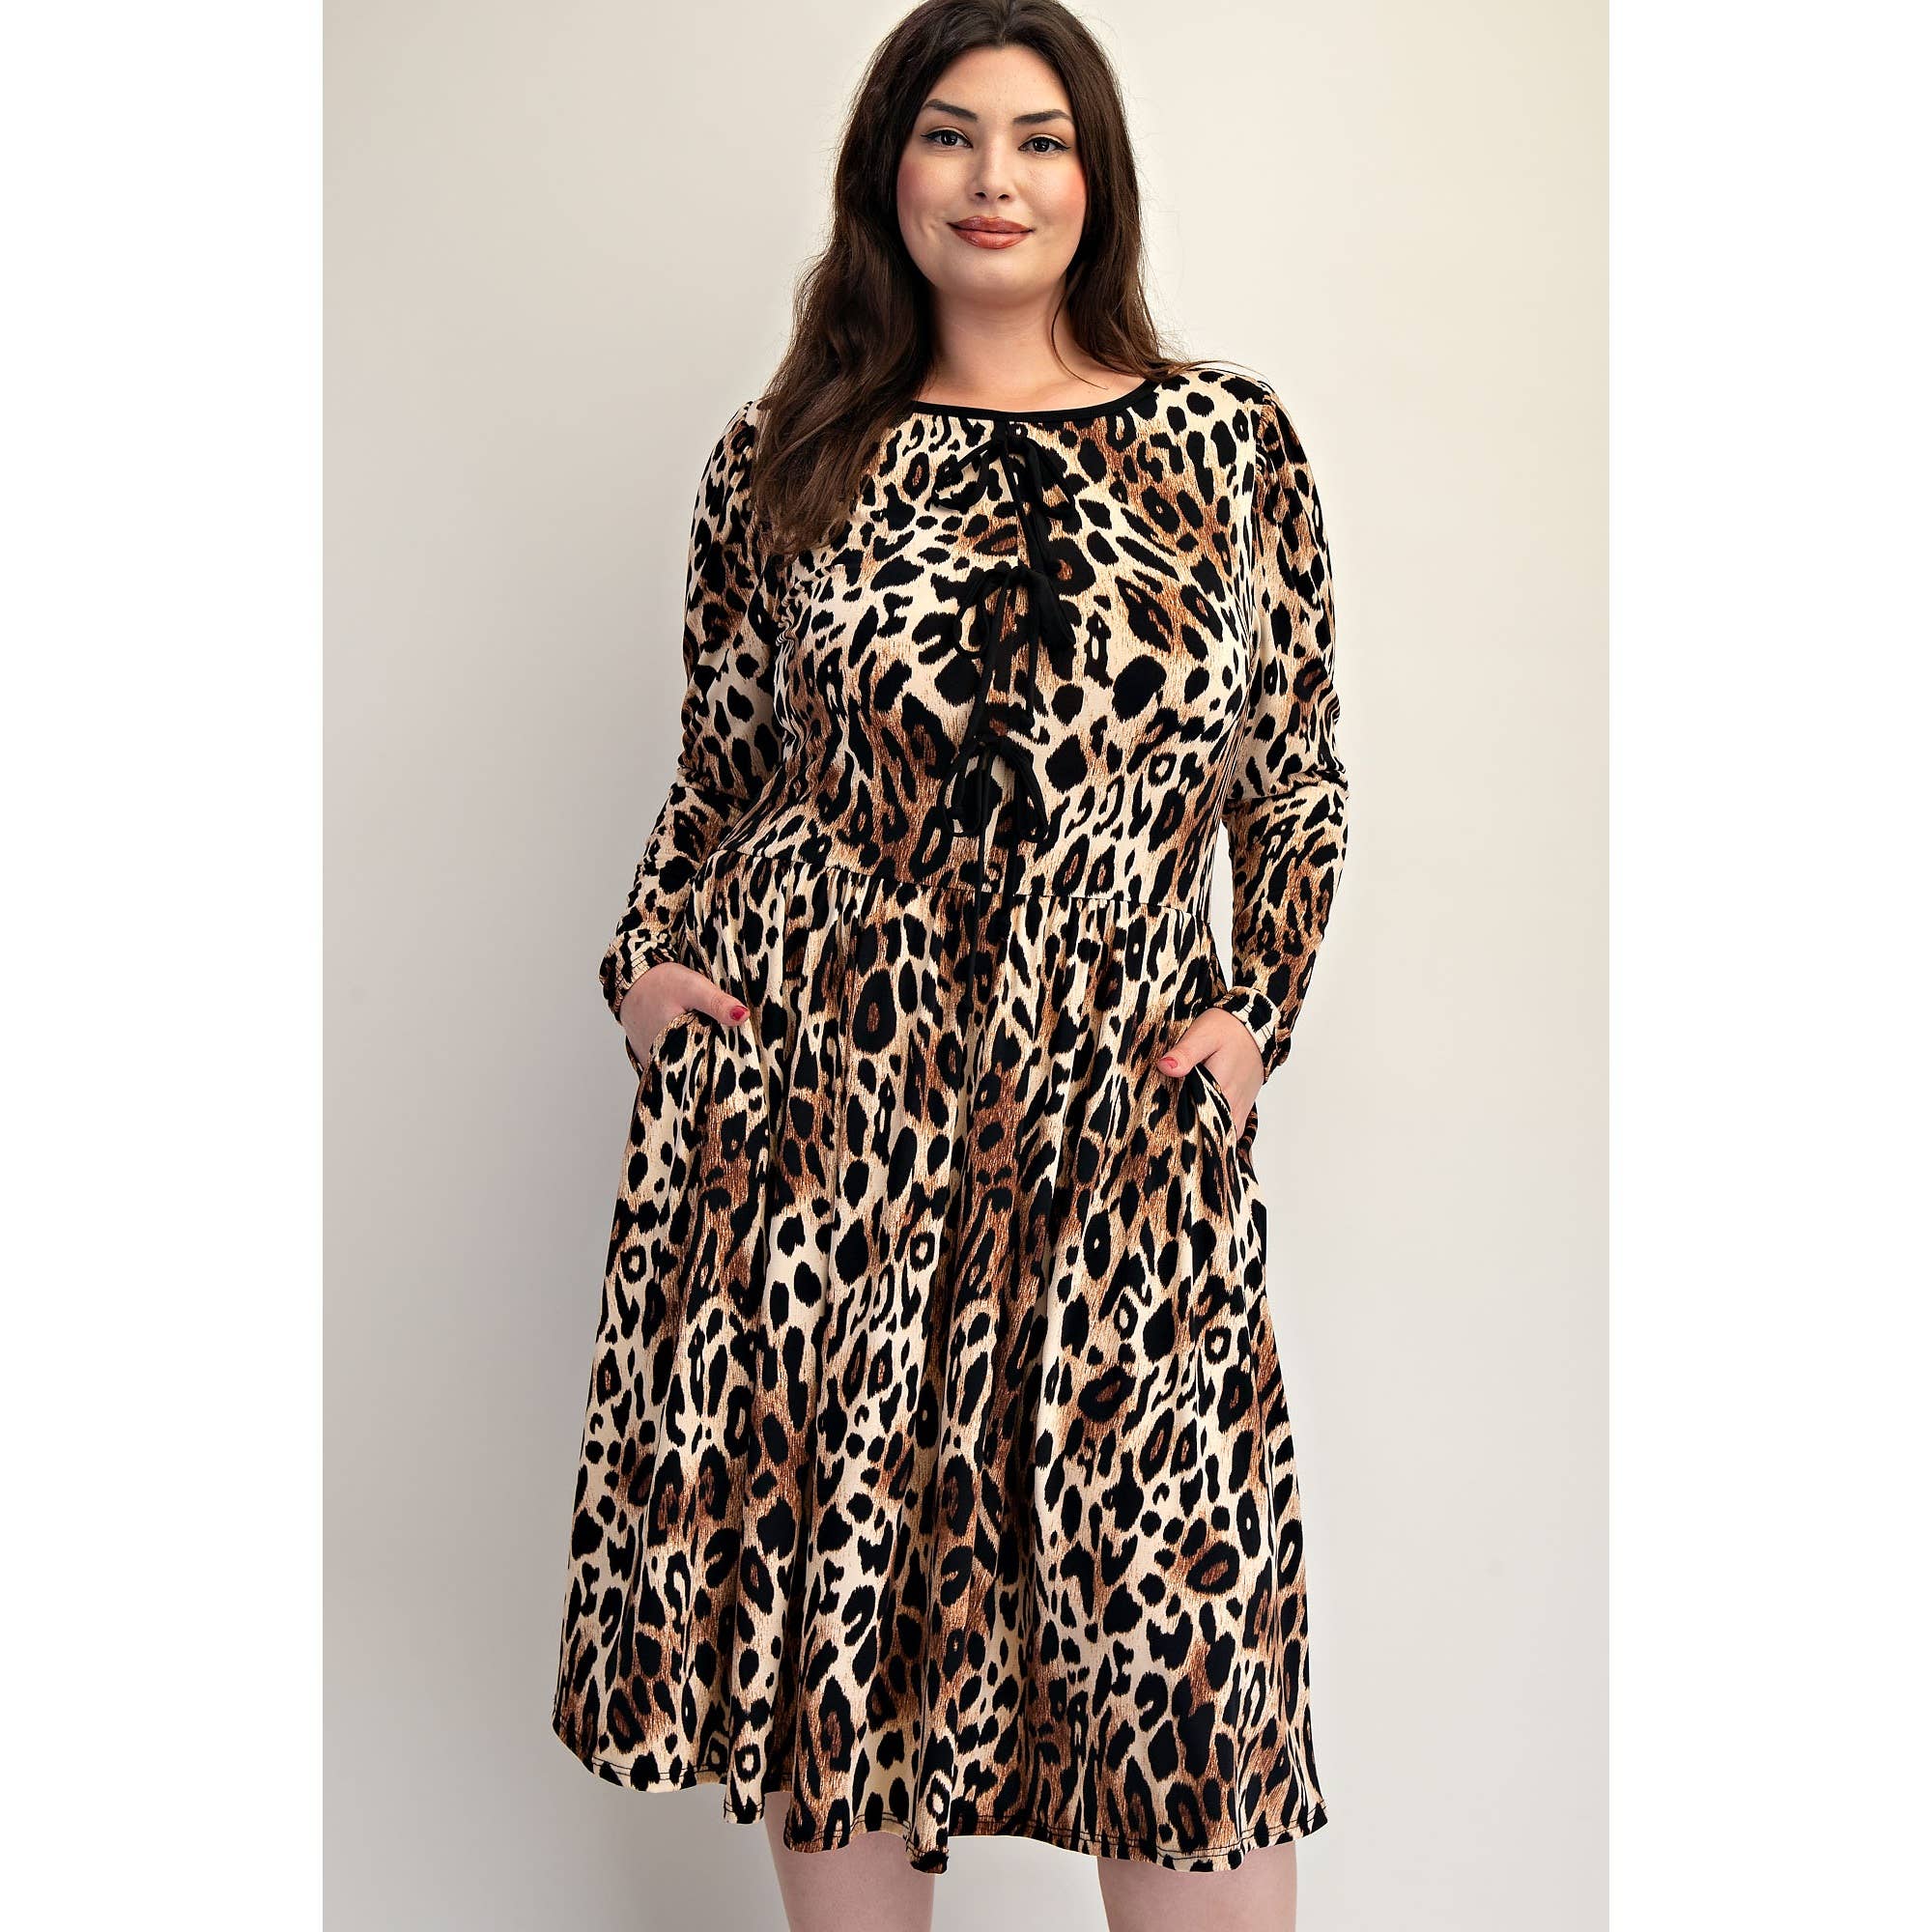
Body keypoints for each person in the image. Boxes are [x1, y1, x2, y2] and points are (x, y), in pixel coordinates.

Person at [551, 5, 1349, 1927]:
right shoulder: (787, 454)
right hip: (827, 1127)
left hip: (1115, 1130)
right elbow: (721, 774)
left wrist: (1255, 1015)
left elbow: (1295, 781)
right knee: (841, 1630)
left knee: (1177, 1668)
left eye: (1040, 138)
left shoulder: (1228, 443)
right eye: (950, 135)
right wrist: (647, 969)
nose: (995, 178)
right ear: (886, 174)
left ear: (1096, 179)